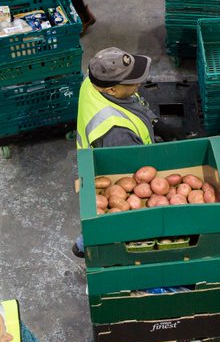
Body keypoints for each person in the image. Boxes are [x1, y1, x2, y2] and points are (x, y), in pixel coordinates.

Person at [71, 46, 188, 257]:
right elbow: (132, 177)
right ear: (112, 90)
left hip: (103, 157)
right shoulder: (116, 133)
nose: (140, 82)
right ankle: (84, 244)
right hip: (115, 168)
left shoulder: (93, 80)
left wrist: (155, 122)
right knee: (109, 216)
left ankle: (81, 243)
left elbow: (133, 103)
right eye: (132, 81)